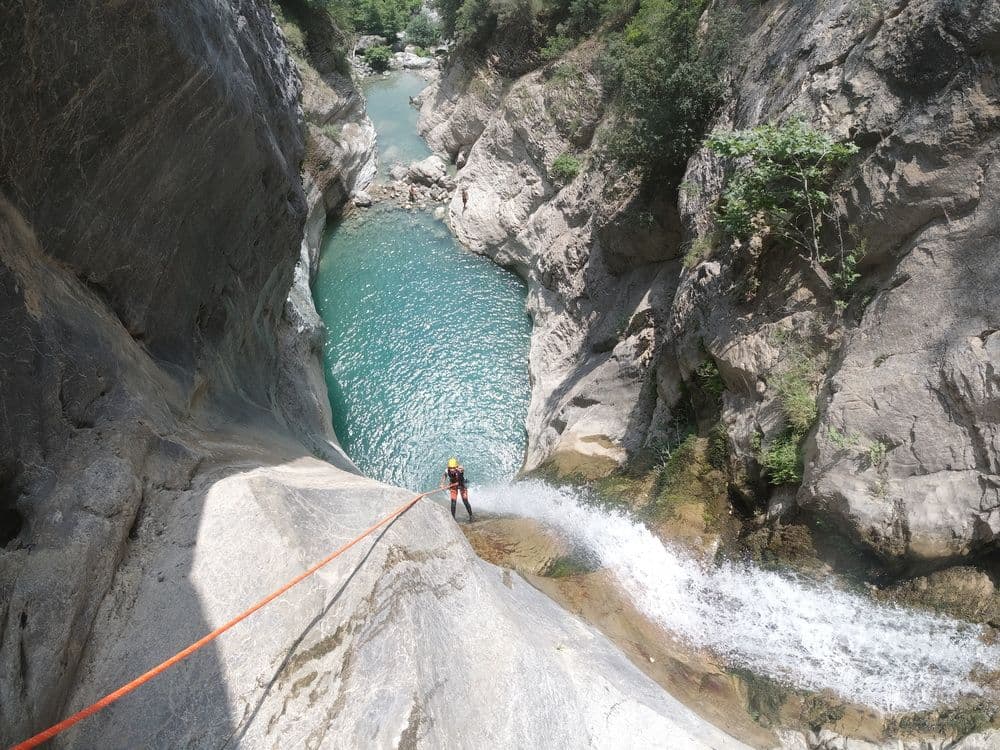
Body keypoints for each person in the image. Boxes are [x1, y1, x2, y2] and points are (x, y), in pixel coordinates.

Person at [441, 457, 473, 521]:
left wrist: (461, 469)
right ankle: (453, 518)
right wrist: (442, 484)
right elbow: (444, 476)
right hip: (453, 485)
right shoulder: (447, 470)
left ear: (456, 467)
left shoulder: (460, 469)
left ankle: (471, 516)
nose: (452, 469)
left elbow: (462, 469)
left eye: (453, 468)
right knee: (453, 502)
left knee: (465, 501)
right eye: (450, 468)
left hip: (462, 485)